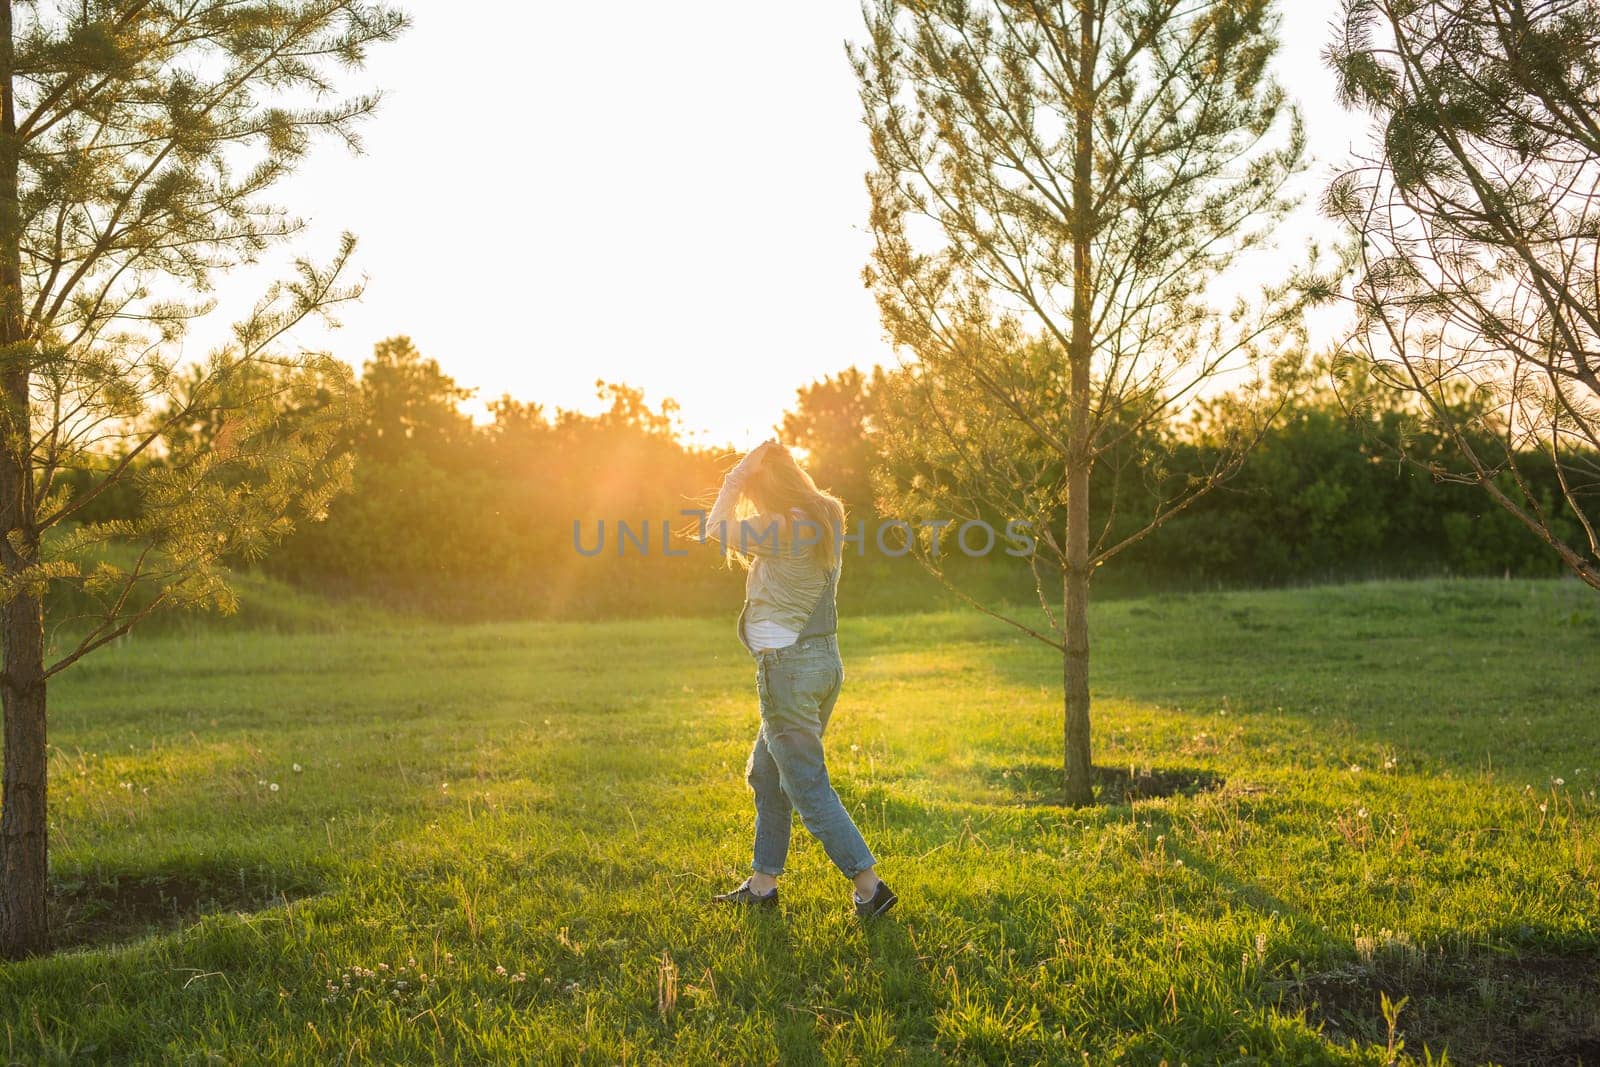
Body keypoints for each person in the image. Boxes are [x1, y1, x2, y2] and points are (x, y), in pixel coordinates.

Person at [702, 439, 896, 918]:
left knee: (806, 786)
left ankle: (870, 887)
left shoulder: (778, 528)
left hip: (787, 670)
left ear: (763, 491)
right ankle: (763, 885)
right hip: (824, 663)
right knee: (767, 776)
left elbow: (714, 527)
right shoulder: (827, 513)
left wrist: (739, 472)